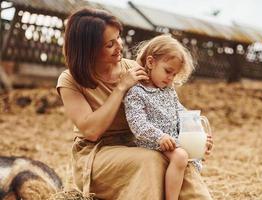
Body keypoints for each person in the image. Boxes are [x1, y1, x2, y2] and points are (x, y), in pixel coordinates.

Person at [57, 7, 213, 200]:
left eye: (118, 38)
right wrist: (121, 88)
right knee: (152, 160)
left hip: (139, 142)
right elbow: (91, 131)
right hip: (98, 154)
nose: (119, 46)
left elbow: (166, 108)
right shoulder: (70, 80)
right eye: (110, 44)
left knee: (180, 158)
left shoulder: (134, 68)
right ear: (89, 49)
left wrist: (195, 138)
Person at [124, 35, 212, 200]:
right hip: (151, 142)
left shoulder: (168, 91)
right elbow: (137, 123)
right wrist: (159, 136)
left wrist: (199, 135)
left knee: (191, 154)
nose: (170, 78)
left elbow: (181, 112)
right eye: (168, 71)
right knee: (180, 156)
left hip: (171, 141)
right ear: (151, 63)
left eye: (174, 74)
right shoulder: (136, 92)